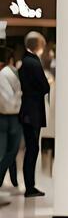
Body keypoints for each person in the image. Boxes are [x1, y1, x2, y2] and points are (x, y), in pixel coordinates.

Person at [17, 31, 50, 197]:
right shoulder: (33, 62)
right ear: (39, 46)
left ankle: (30, 185)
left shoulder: (25, 61)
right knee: (32, 149)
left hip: (28, 111)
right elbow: (45, 87)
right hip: (33, 112)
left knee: (31, 149)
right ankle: (30, 187)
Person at [0, 47, 23, 193]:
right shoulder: (9, 73)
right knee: (11, 150)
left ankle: (13, 180)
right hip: (11, 116)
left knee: (7, 151)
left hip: (3, 116)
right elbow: (11, 98)